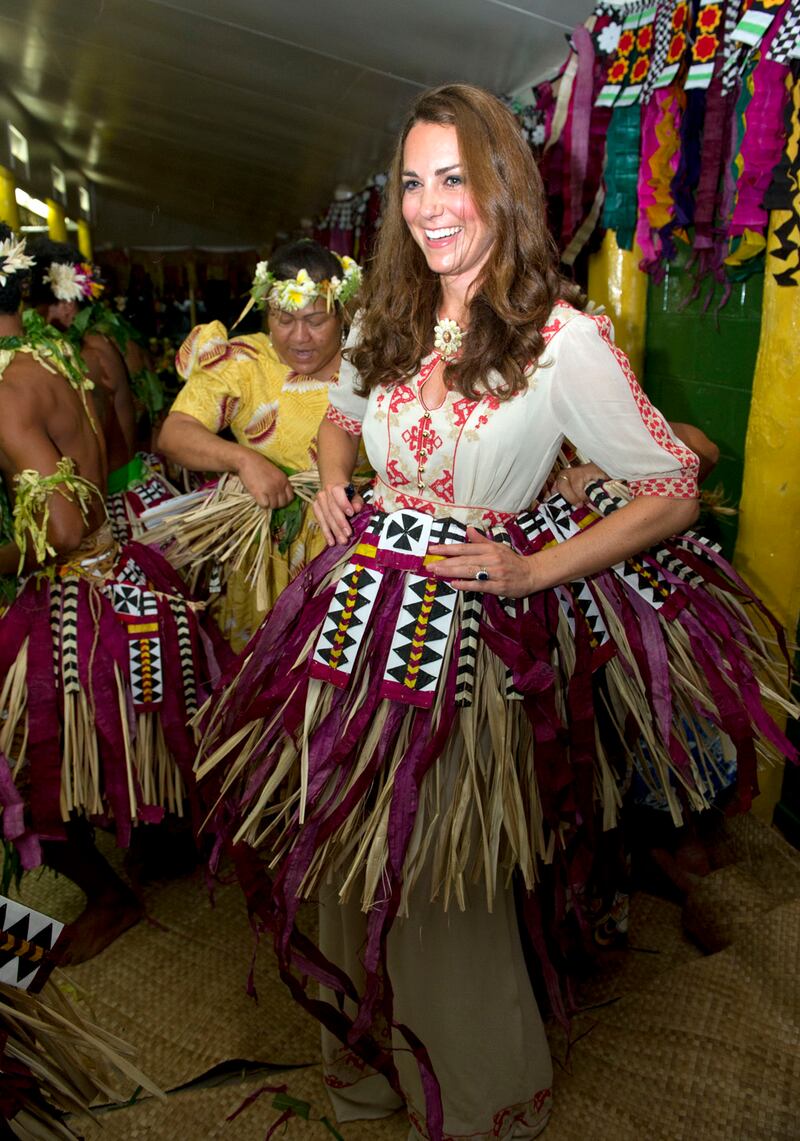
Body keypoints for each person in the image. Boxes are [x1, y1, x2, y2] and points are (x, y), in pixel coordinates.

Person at [195, 87, 795, 1140]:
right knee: (328, 851)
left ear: (500, 187)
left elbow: (670, 485)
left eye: (453, 179)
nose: (430, 206)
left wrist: (537, 569)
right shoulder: (384, 320)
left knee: (433, 885)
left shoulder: (559, 340)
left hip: (463, 647)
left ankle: (477, 1103)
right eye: (413, 182)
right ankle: (364, 1070)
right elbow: (340, 422)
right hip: (347, 626)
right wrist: (336, 479)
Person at [0, 225, 223, 963]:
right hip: (124, 572)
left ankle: (104, 898)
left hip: (78, 592)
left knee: (19, 759)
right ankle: (159, 842)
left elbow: (61, 529)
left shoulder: (6, 392)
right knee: (134, 728)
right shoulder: (58, 355)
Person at [157, 239, 366, 649]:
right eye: (284, 319)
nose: (299, 337)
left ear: (342, 314)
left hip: (350, 548)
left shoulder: (371, 364)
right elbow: (174, 432)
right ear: (266, 313)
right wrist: (243, 460)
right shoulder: (243, 362)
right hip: (264, 561)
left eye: (316, 320)